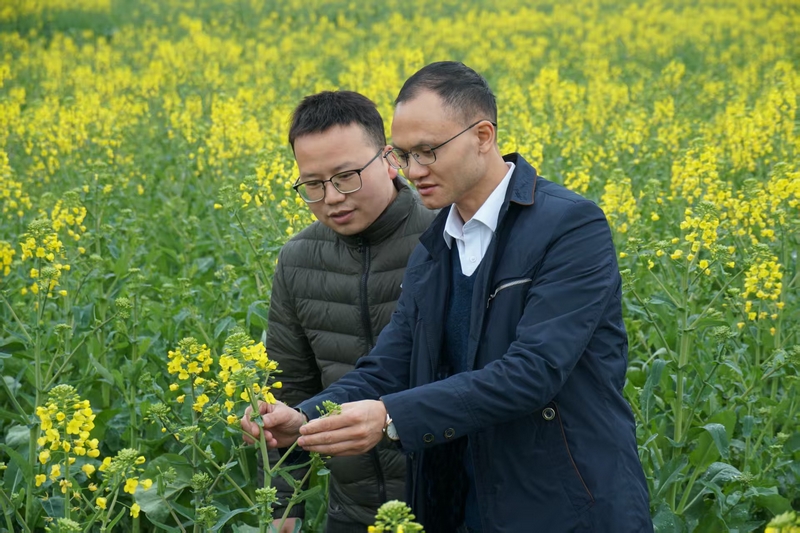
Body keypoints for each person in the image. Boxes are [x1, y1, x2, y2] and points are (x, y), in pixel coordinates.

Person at [244, 62, 653, 532]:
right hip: (464, 503)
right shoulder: (438, 243)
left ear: (482, 136)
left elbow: (533, 372)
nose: (414, 171)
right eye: (404, 154)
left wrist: (390, 415)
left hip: (564, 506)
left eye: (428, 152)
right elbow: (389, 365)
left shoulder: (569, 226)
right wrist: (303, 419)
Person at [254, 91, 437, 532]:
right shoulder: (298, 259)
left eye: (347, 176)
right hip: (353, 513)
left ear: (389, 160)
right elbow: (290, 392)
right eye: (312, 184)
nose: (332, 197)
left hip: (449, 504)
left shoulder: (446, 238)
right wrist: (283, 514)